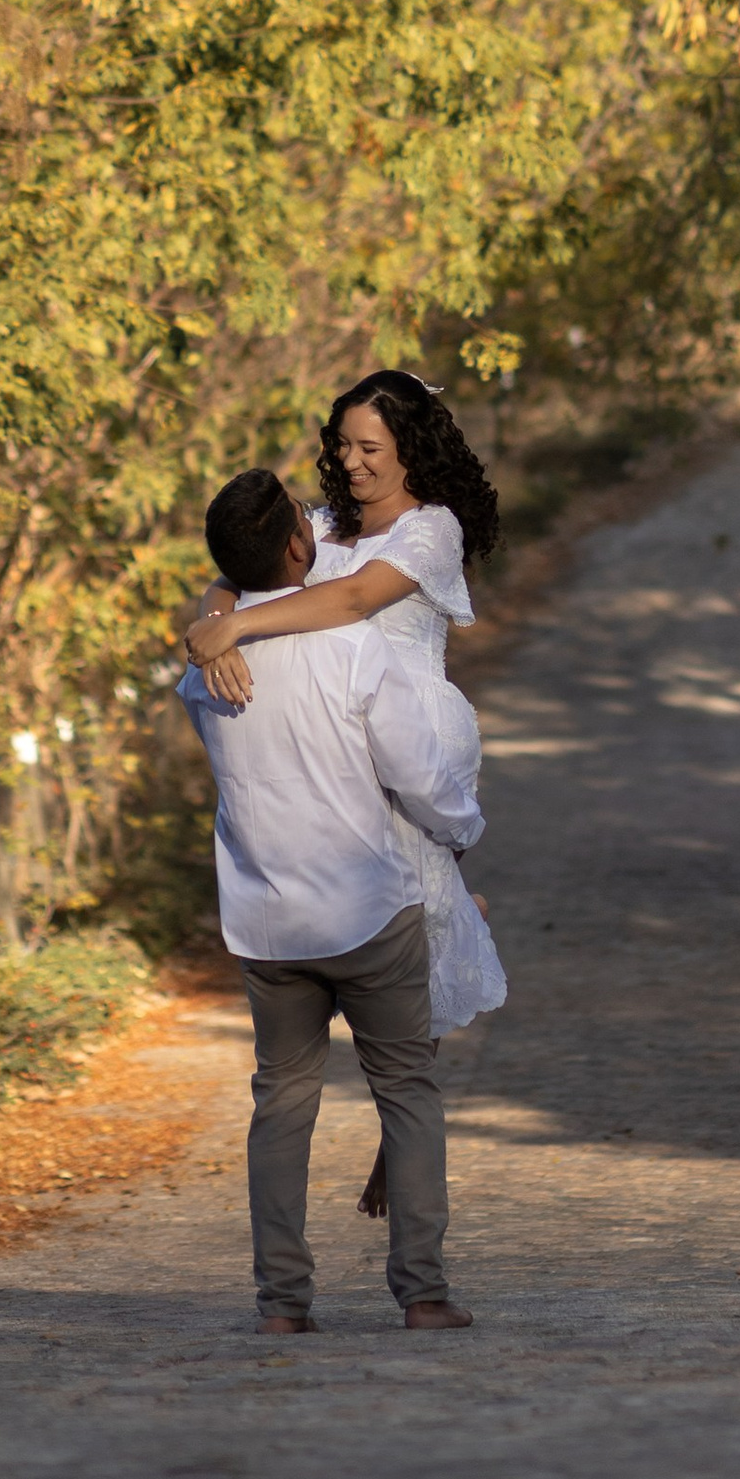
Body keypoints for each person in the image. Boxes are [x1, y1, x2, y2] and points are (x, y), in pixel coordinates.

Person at [180, 464, 483, 1334]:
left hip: (266, 921)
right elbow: (419, 775)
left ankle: (282, 1304)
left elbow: (204, 637)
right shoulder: (353, 648)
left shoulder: (209, 669)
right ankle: (421, 1290)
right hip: (366, 911)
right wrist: (461, 826)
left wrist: (216, 623)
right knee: (407, 1089)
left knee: (281, 1102)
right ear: (297, 546)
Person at [184, 368, 507, 1043]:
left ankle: (406, 1128)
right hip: (340, 735)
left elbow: (358, 597)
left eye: (370, 448)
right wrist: (212, 625)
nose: (350, 461)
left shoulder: (431, 529)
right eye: (342, 444)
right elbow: (230, 575)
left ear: (410, 450)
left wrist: (238, 627)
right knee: (380, 929)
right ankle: (459, 911)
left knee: (413, 974)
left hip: (414, 729)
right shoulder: (323, 523)